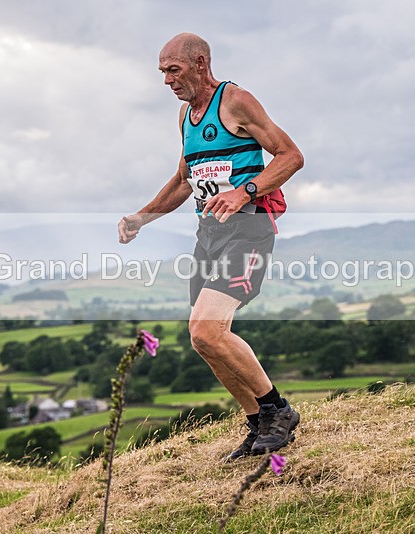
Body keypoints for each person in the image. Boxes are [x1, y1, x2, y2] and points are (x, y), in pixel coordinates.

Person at [118, 33, 304, 460]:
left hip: (248, 228)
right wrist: (142, 217)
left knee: (207, 328)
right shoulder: (186, 116)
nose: (166, 80)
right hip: (209, 235)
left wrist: (246, 191)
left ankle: (279, 412)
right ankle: (258, 424)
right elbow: (185, 180)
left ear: (200, 63)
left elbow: (290, 156)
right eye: (162, 72)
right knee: (203, 339)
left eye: (173, 70)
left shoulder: (235, 101)